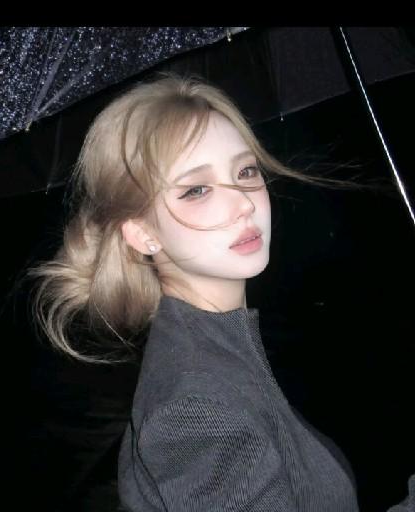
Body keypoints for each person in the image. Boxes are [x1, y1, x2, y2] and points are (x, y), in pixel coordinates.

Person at [25, 73, 411, 511]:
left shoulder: (220, 352)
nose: (244, 202)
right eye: (197, 190)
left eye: (246, 171)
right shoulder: (195, 408)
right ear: (142, 233)